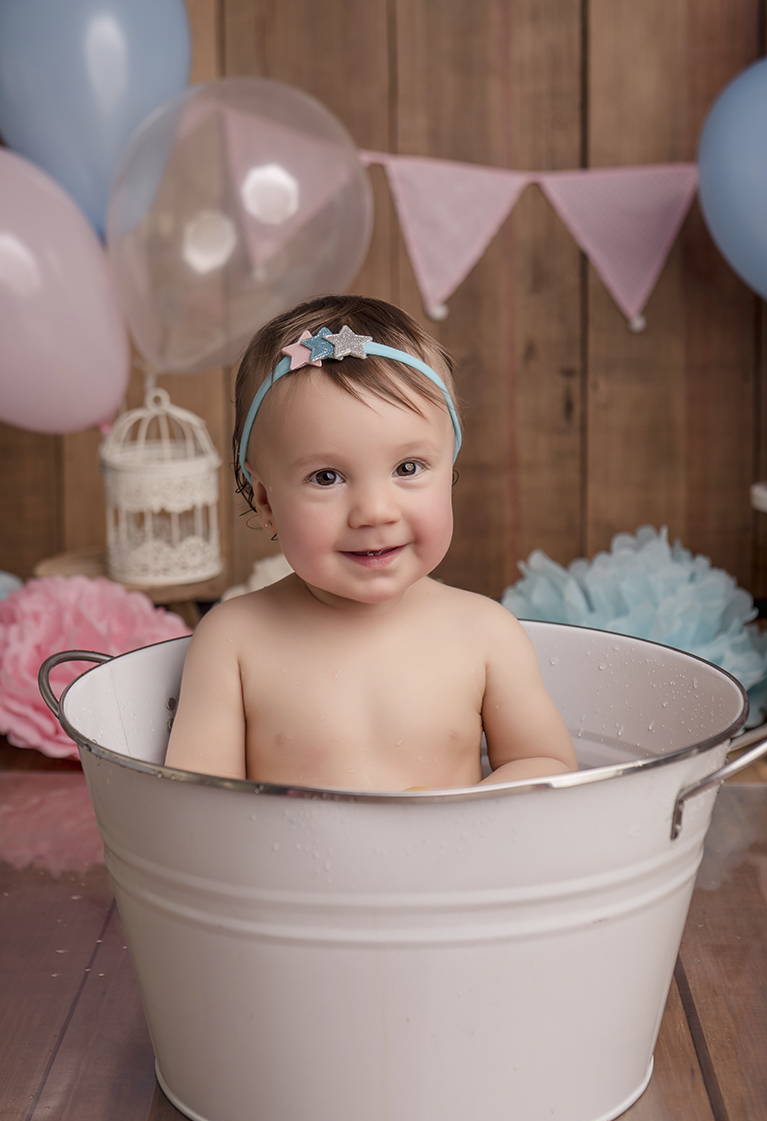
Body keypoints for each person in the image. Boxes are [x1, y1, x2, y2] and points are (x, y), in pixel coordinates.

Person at [165, 295, 577, 790]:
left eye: (408, 468)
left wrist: (457, 817)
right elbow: (199, 803)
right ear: (266, 500)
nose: (375, 512)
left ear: (449, 469)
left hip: (456, 841)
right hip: (285, 845)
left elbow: (547, 764)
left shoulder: (487, 633)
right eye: (326, 476)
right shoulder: (234, 640)